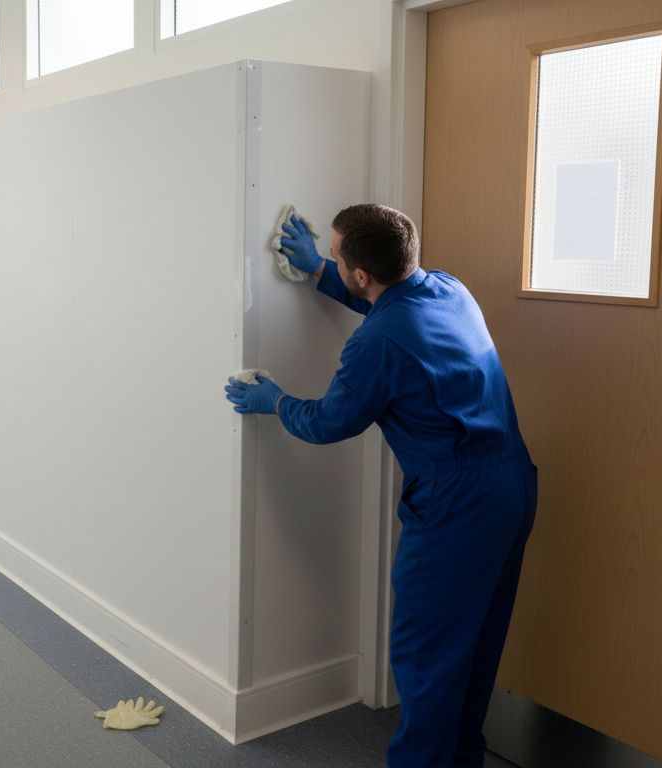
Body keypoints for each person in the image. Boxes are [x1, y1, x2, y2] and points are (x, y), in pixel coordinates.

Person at [224, 204, 536, 768]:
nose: (335, 259)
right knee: (474, 645)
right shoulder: (448, 288)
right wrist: (321, 270)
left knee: (426, 656)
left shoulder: (377, 345)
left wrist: (275, 401)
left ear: (362, 274)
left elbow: (328, 422)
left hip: (457, 503)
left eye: (338, 256)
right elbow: (394, 310)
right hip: (511, 483)